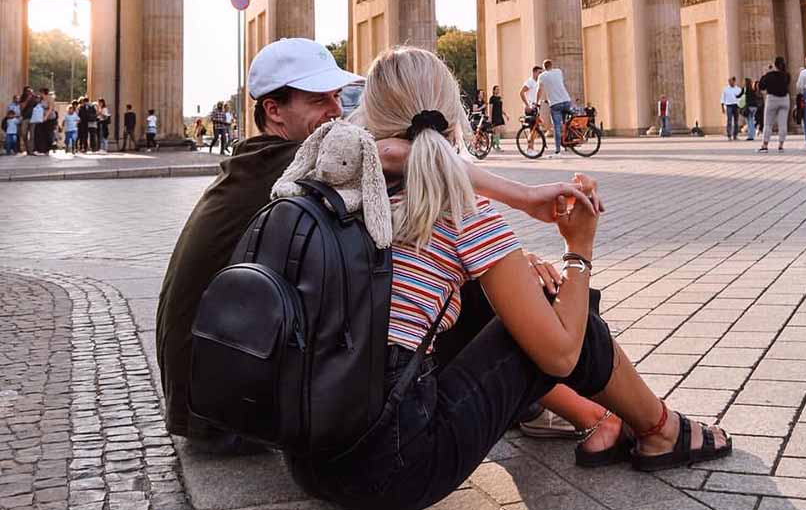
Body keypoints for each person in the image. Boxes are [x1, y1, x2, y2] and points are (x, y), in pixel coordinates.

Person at [303, 46, 731, 510]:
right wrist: (579, 249)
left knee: (493, 302)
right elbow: (561, 354)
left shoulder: (333, 185)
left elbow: (410, 158)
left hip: (311, 457)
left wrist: (520, 198)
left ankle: (612, 419)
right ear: (451, 112)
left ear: (370, 110)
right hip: (393, 471)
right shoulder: (457, 209)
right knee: (560, 319)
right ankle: (661, 430)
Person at [156, 38, 597, 450]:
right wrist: (523, 200)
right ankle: (577, 410)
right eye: (319, 100)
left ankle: (560, 405)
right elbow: (407, 155)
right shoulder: (298, 163)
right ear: (274, 110)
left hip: (222, 394)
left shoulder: (262, 162)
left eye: (336, 96)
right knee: (465, 286)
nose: (337, 111)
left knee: (439, 269)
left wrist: (507, 256)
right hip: (232, 416)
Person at [536, 59, 572, 156]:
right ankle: (568, 144)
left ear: (544, 67)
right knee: (565, 124)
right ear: (552, 65)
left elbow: (540, 90)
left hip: (555, 104)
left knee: (557, 126)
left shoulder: (542, 76)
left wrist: (537, 102)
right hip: (566, 100)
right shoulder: (558, 71)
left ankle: (558, 149)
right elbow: (557, 85)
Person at [758, 57, 791, 153]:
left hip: (772, 99)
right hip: (784, 99)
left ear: (775, 65)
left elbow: (761, 86)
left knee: (768, 123)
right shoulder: (787, 75)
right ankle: (781, 145)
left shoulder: (770, 75)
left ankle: (765, 145)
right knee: (783, 124)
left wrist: (766, 72)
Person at [18, 87, 37, 154]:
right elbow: (22, 108)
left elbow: (37, 106)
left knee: (32, 135)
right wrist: (27, 100)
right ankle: (27, 148)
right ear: (25, 92)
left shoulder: (33, 98)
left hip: (33, 119)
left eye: (30, 91)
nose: (29, 92)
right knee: (24, 133)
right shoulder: (22, 98)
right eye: (28, 91)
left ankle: (31, 150)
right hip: (25, 118)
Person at [488, 85, 507, 152]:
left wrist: (505, 115)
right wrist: (490, 117)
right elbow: (490, 108)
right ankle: (497, 145)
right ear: (493, 90)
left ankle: (494, 143)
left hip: (499, 115)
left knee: (501, 129)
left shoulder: (499, 98)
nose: (498, 90)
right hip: (494, 115)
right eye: (496, 89)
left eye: (498, 89)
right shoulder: (492, 98)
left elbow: (500, 108)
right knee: (497, 130)